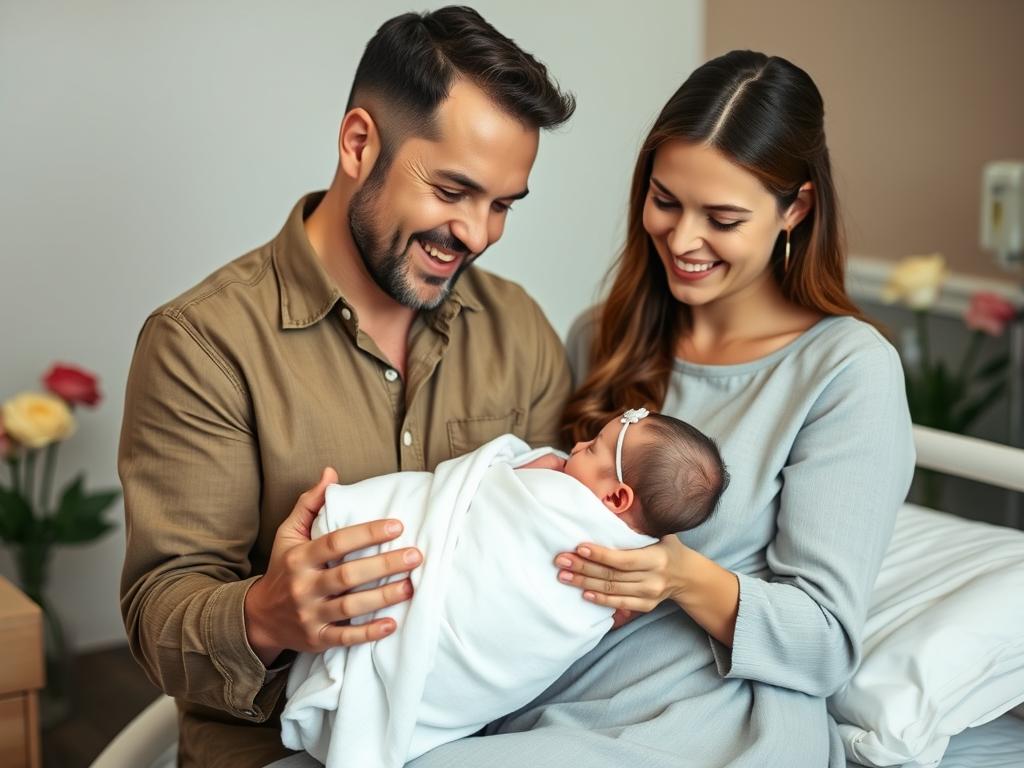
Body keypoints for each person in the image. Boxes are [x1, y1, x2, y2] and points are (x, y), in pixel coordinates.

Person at [401, 51, 916, 768]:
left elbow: (825, 641)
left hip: (705, 721)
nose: (682, 239)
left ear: (794, 208)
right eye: (666, 200)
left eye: (724, 218)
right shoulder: (600, 338)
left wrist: (679, 575)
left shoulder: (844, 371)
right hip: (532, 692)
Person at [117, 7, 576, 767]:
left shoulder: (517, 329)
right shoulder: (203, 344)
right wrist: (265, 616)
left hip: (494, 742)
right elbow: (159, 618)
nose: (477, 234)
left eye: (501, 205)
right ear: (359, 143)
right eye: (453, 190)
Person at [280, 409, 727, 768]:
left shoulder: (556, 493)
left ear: (616, 498)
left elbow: (487, 494)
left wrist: (512, 469)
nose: (575, 447)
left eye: (592, 449)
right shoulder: (634, 552)